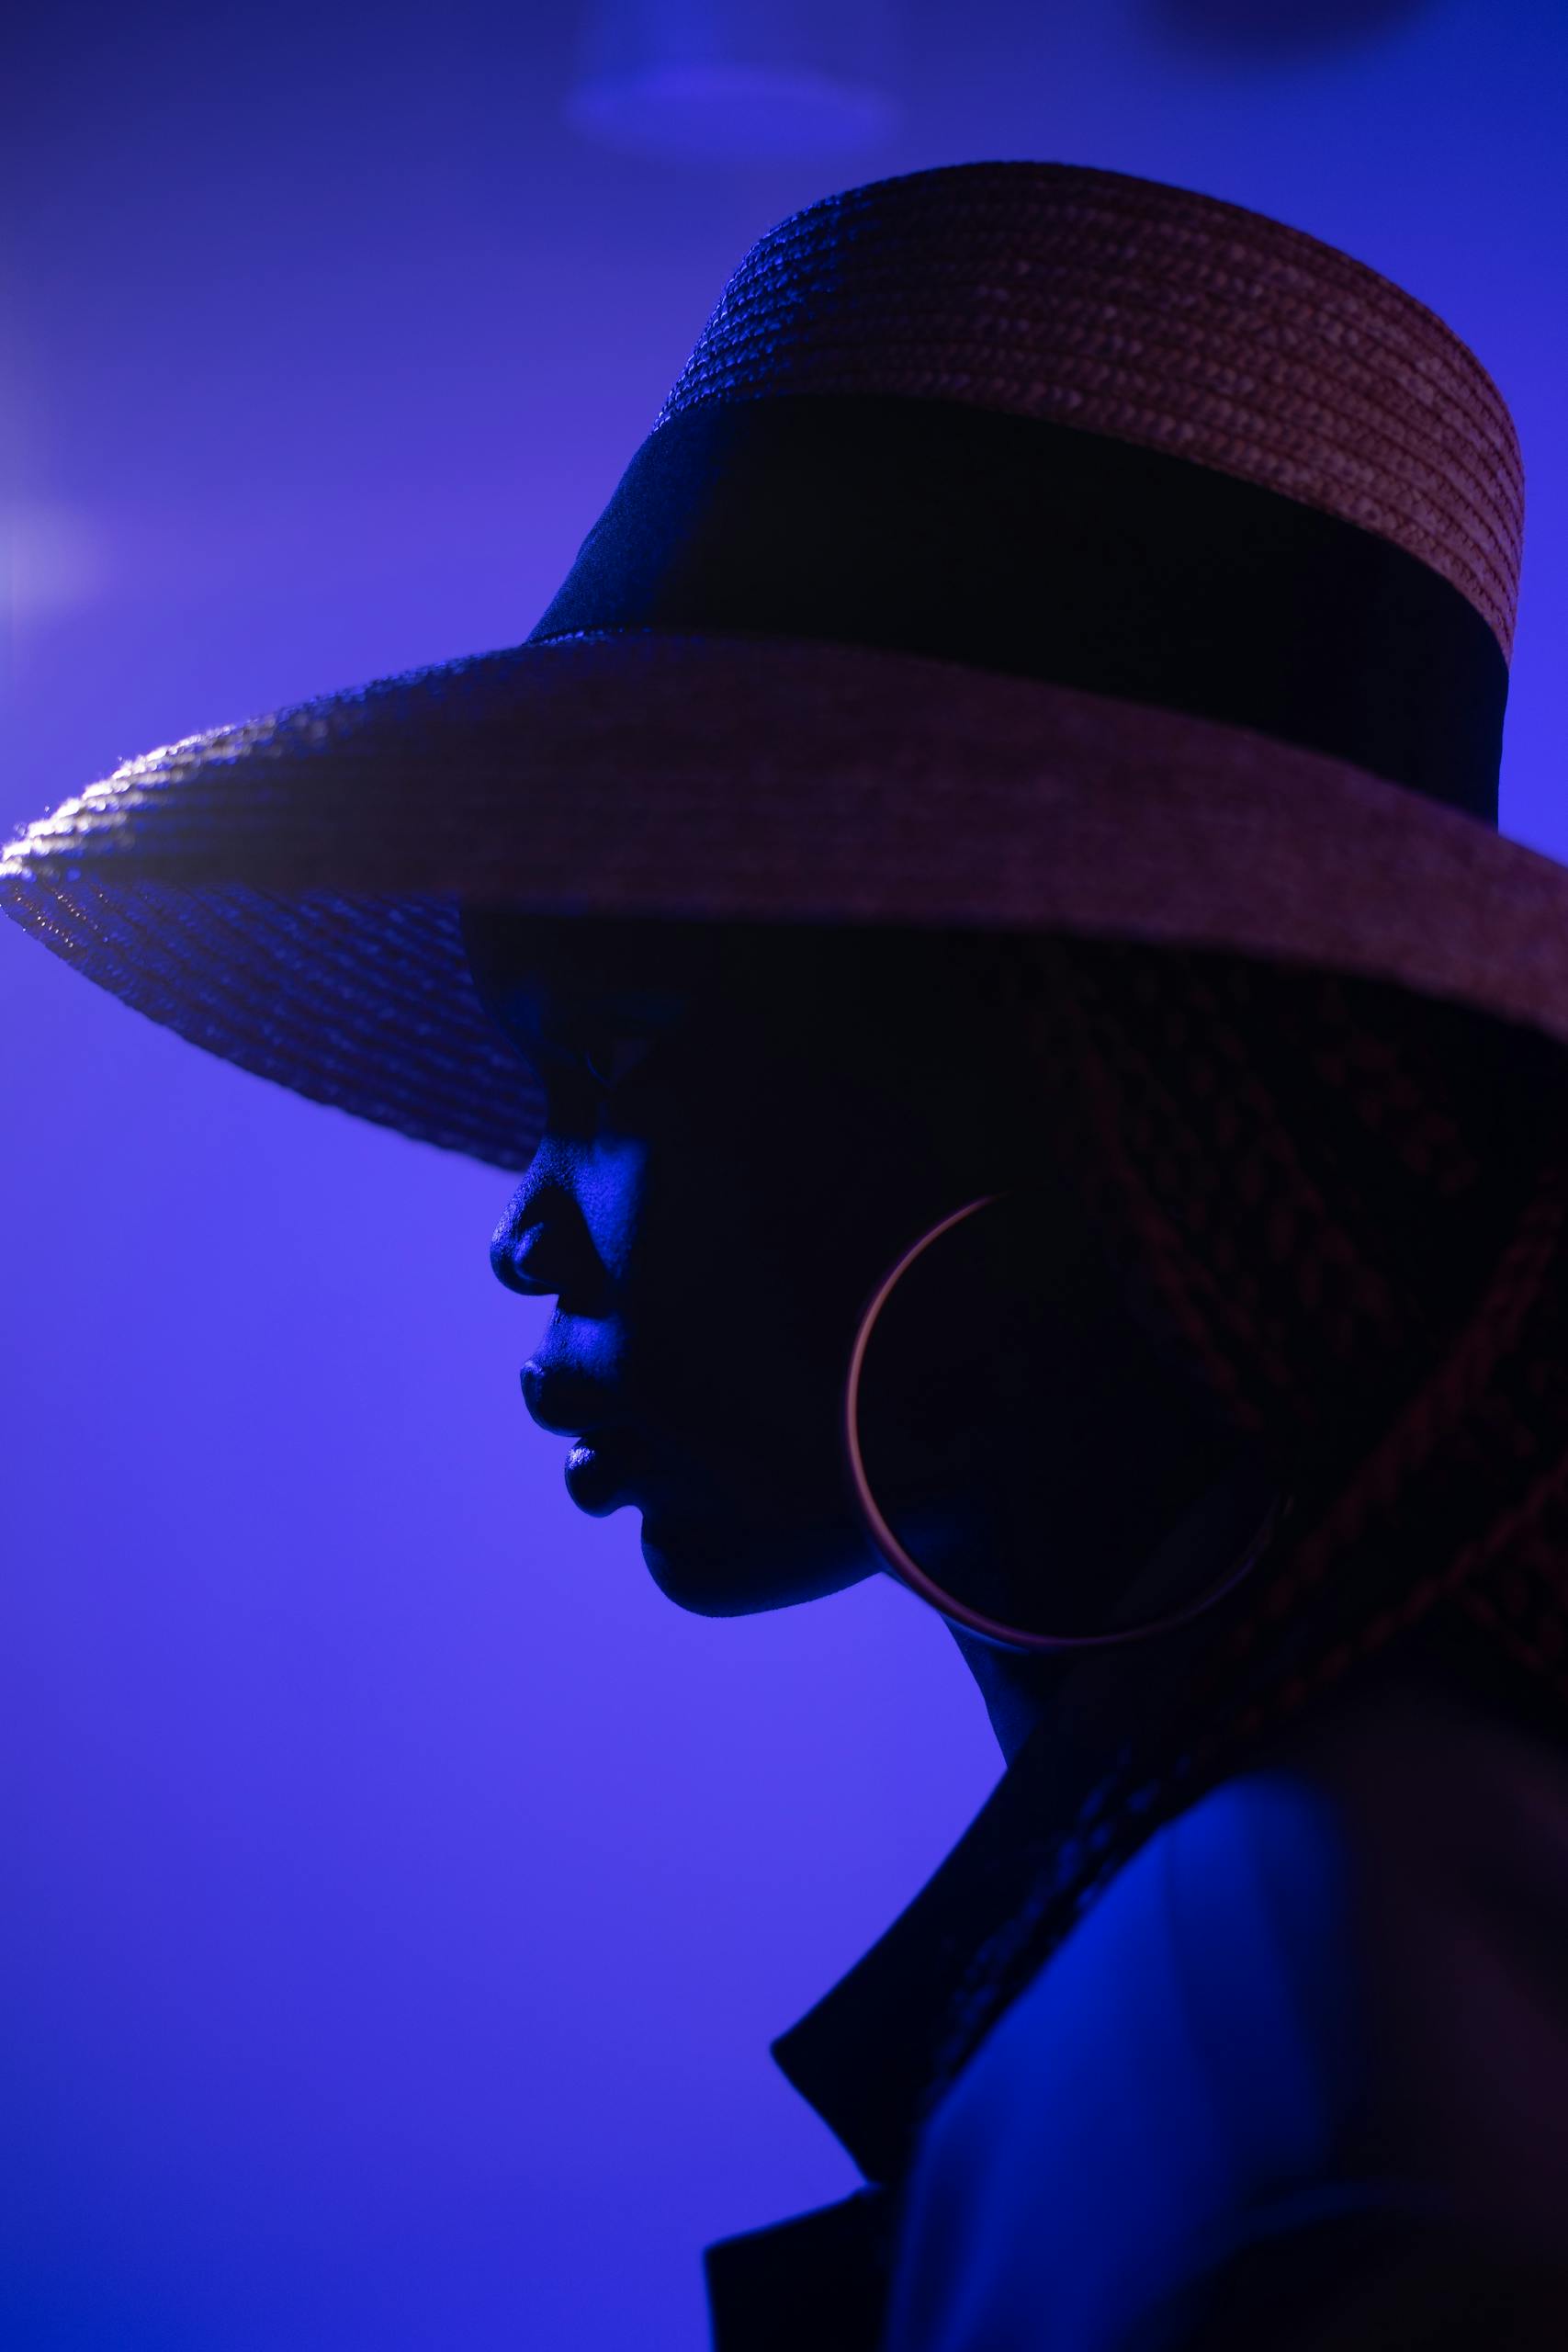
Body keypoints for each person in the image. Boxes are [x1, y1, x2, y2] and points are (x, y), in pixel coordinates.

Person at [6, 161, 1568, 2347]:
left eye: (616, 1062)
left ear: (1071, 1094)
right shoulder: (1311, 1896)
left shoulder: (1300, 2096)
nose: (522, 1221)